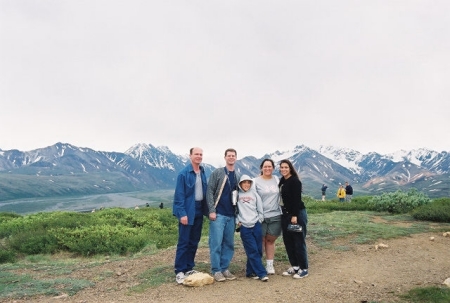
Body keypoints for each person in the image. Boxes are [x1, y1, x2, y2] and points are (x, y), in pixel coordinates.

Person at [172, 147, 208, 284]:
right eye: (196, 154)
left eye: (201, 154)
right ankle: (180, 271)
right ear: (190, 156)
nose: (199, 156)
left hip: (199, 209)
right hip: (188, 210)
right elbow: (179, 196)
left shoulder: (202, 172)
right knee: (184, 242)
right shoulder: (183, 174)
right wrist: (182, 214)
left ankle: (189, 267)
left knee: (194, 241)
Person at [206, 148, 240, 282]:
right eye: (229, 156)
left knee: (229, 243)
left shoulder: (237, 175)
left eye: (233, 156)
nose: (231, 158)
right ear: (225, 158)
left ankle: (225, 268)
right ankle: (216, 270)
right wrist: (211, 210)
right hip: (218, 214)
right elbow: (209, 191)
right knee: (216, 243)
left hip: (231, 215)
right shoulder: (218, 173)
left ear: (236, 158)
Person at [278, 159, 309, 279]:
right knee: (288, 241)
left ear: (290, 168)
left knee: (298, 241)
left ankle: (304, 268)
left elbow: (296, 199)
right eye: (282, 167)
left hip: (296, 215)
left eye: (286, 167)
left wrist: (295, 215)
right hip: (285, 214)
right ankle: (295, 266)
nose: (283, 169)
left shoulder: (295, 181)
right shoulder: (282, 180)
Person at [235, 175, 268, 282]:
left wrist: (260, 219)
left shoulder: (254, 194)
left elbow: (260, 208)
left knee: (258, 250)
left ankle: (250, 272)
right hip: (244, 226)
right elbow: (234, 210)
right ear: (240, 184)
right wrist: (237, 221)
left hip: (256, 224)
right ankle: (262, 273)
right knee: (252, 250)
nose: (246, 184)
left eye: (248, 182)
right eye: (244, 182)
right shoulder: (237, 195)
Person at [253, 159, 282, 275]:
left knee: (270, 240)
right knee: (261, 240)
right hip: (261, 215)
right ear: (261, 168)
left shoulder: (276, 179)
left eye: (270, 166)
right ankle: (258, 264)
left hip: (275, 214)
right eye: (265, 166)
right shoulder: (255, 181)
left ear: (273, 168)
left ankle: (270, 264)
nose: (267, 169)